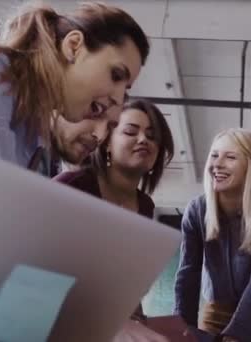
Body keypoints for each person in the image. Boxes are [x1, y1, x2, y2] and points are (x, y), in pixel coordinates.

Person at [0, 2, 149, 169]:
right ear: (73, 46)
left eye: (126, 88)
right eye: (116, 74)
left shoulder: (31, 128)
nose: (119, 101)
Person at [55, 99, 174, 341]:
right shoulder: (72, 186)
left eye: (153, 137)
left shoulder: (145, 206)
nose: (144, 140)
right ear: (107, 141)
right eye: (131, 131)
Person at [174, 129, 251, 342]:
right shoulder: (197, 210)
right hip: (216, 310)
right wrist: (181, 329)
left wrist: (236, 334)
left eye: (230, 157)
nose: (217, 164)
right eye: (214, 155)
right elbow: (188, 275)